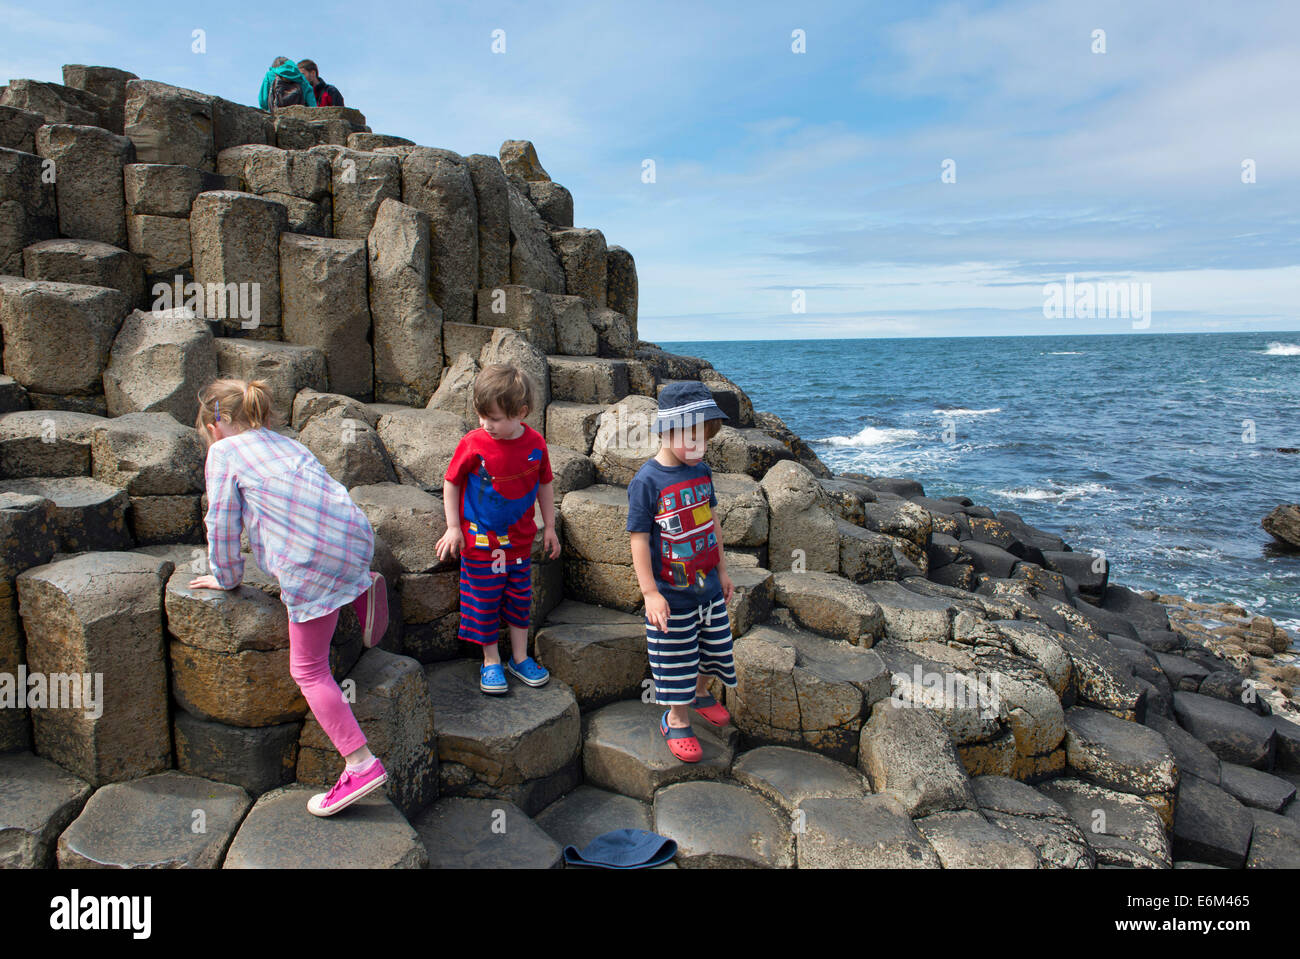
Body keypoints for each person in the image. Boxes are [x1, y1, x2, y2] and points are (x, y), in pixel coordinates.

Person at [188, 378, 388, 817]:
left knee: (309, 670)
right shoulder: (287, 444)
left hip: (311, 564)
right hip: (355, 541)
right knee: (333, 571)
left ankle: (361, 764)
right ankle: (361, 586)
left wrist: (225, 576)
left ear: (216, 422)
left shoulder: (224, 453)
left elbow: (221, 522)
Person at [626, 382, 736, 763]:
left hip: (707, 588)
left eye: (704, 439)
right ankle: (675, 718)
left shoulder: (701, 471)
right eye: (690, 439)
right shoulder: (647, 481)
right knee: (675, 659)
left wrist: (722, 569)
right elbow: (638, 539)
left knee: (715, 648)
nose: (699, 448)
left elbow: (712, 522)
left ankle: (702, 692)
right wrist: (650, 593)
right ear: (666, 432)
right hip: (671, 596)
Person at [435, 364, 561, 694]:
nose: (485, 424)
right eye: (481, 416)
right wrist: (452, 527)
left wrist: (549, 526)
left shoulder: (536, 445)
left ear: (521, 413)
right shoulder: (473, 443)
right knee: (483, 602)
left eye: (493, 418)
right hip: (479, 544)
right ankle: (491, 660)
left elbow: (544, 484)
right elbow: (451, 482)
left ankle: (519, 658)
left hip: (519, 545)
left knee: (520, 600)